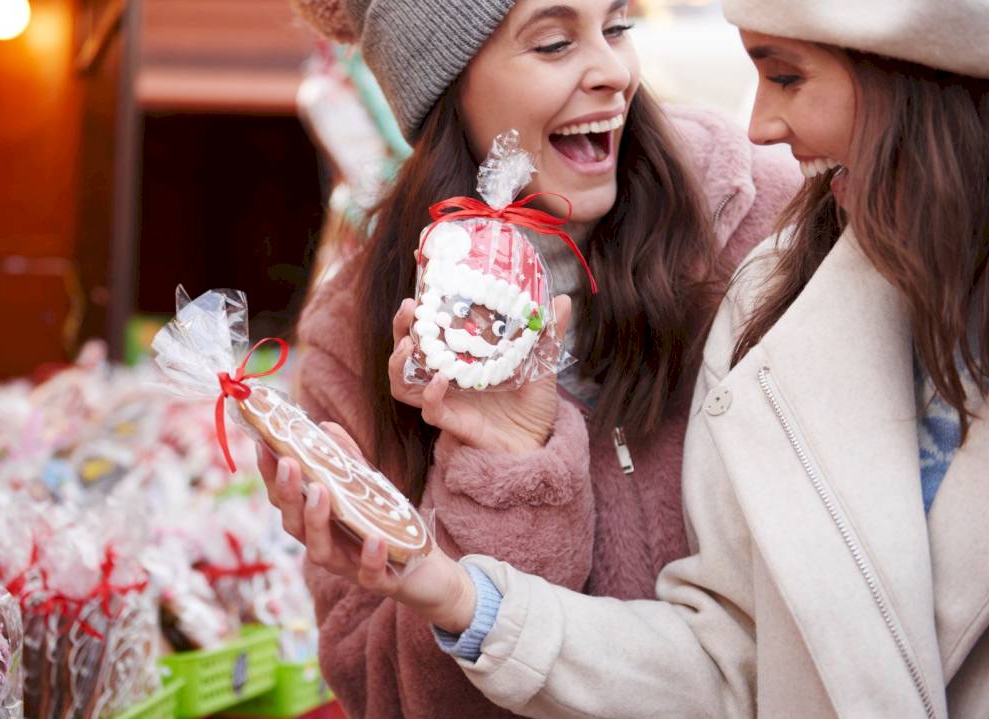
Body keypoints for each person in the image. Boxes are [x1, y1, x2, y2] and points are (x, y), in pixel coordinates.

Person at [273, 0, 989, 716]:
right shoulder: (359, 332)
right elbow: (393, 692)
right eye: (554, 43)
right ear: (444, 84)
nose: (615, 71)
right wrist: (503, 484)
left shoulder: (770, 225)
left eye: (618, 28)